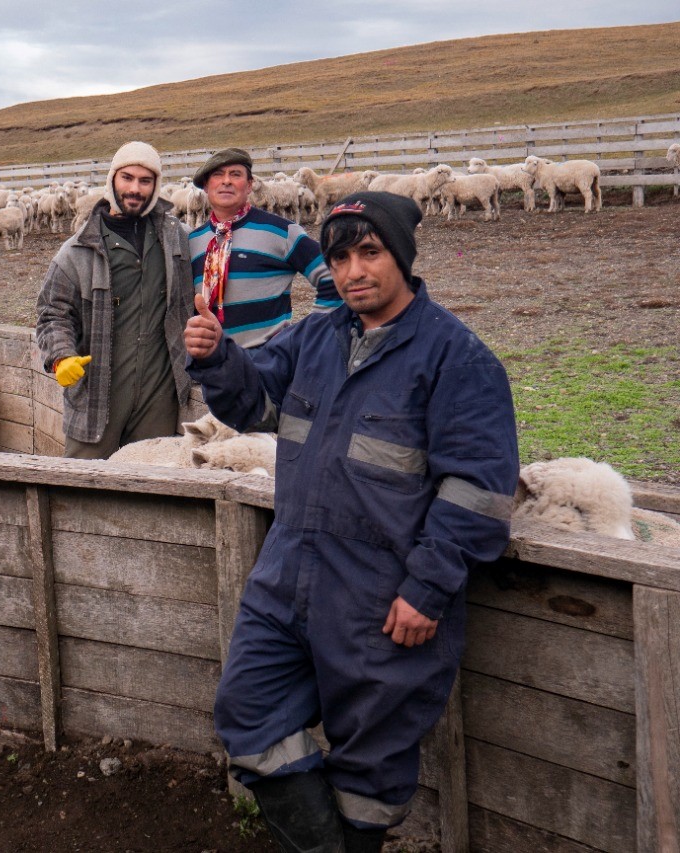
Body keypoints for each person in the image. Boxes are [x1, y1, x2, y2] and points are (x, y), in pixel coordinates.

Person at [184, 191, 519, 852]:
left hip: (382, 599)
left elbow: (479, 486)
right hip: (287, 576)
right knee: (247, 711)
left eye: (369, 252)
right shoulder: (315, 336)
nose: (352, 271)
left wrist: (427, 586)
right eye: (339, 257)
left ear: (401, 255)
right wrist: (219, 355)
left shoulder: (459, 359)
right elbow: (253, 400)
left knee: (370, 775)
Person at [35, 141, 194, 459]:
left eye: (145, 180)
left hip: (157, 396)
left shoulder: (179, 239)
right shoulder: (78, 249)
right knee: (84, 489)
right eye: (127, 178)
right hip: (97, 396)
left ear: (156, 186)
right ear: (112, 180)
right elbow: (52, 312)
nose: (135, 188)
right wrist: (61, 355)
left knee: (152, 485)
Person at [191, 148, 342, 348]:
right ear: (206, 187)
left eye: (235, 175)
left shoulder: (282, 232)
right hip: (213, 367)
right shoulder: (193, 240)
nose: (226, 181)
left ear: (249, 185)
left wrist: (309, 335)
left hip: (269, 365)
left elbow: (335, 278)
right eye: (217, 175)